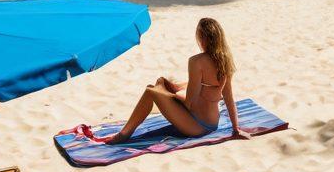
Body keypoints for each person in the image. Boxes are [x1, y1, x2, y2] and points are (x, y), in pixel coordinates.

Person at [97, 18, 246, 144]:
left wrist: (175, 94)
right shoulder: (224, 61)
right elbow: (228, 97)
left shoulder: (196, 61)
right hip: (213, 124)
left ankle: (123, 135)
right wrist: (236, 128)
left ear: (202, 38)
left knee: (151, 91)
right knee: (159, 84)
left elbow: (190, 103)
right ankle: (129, 127)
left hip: (197, 126)